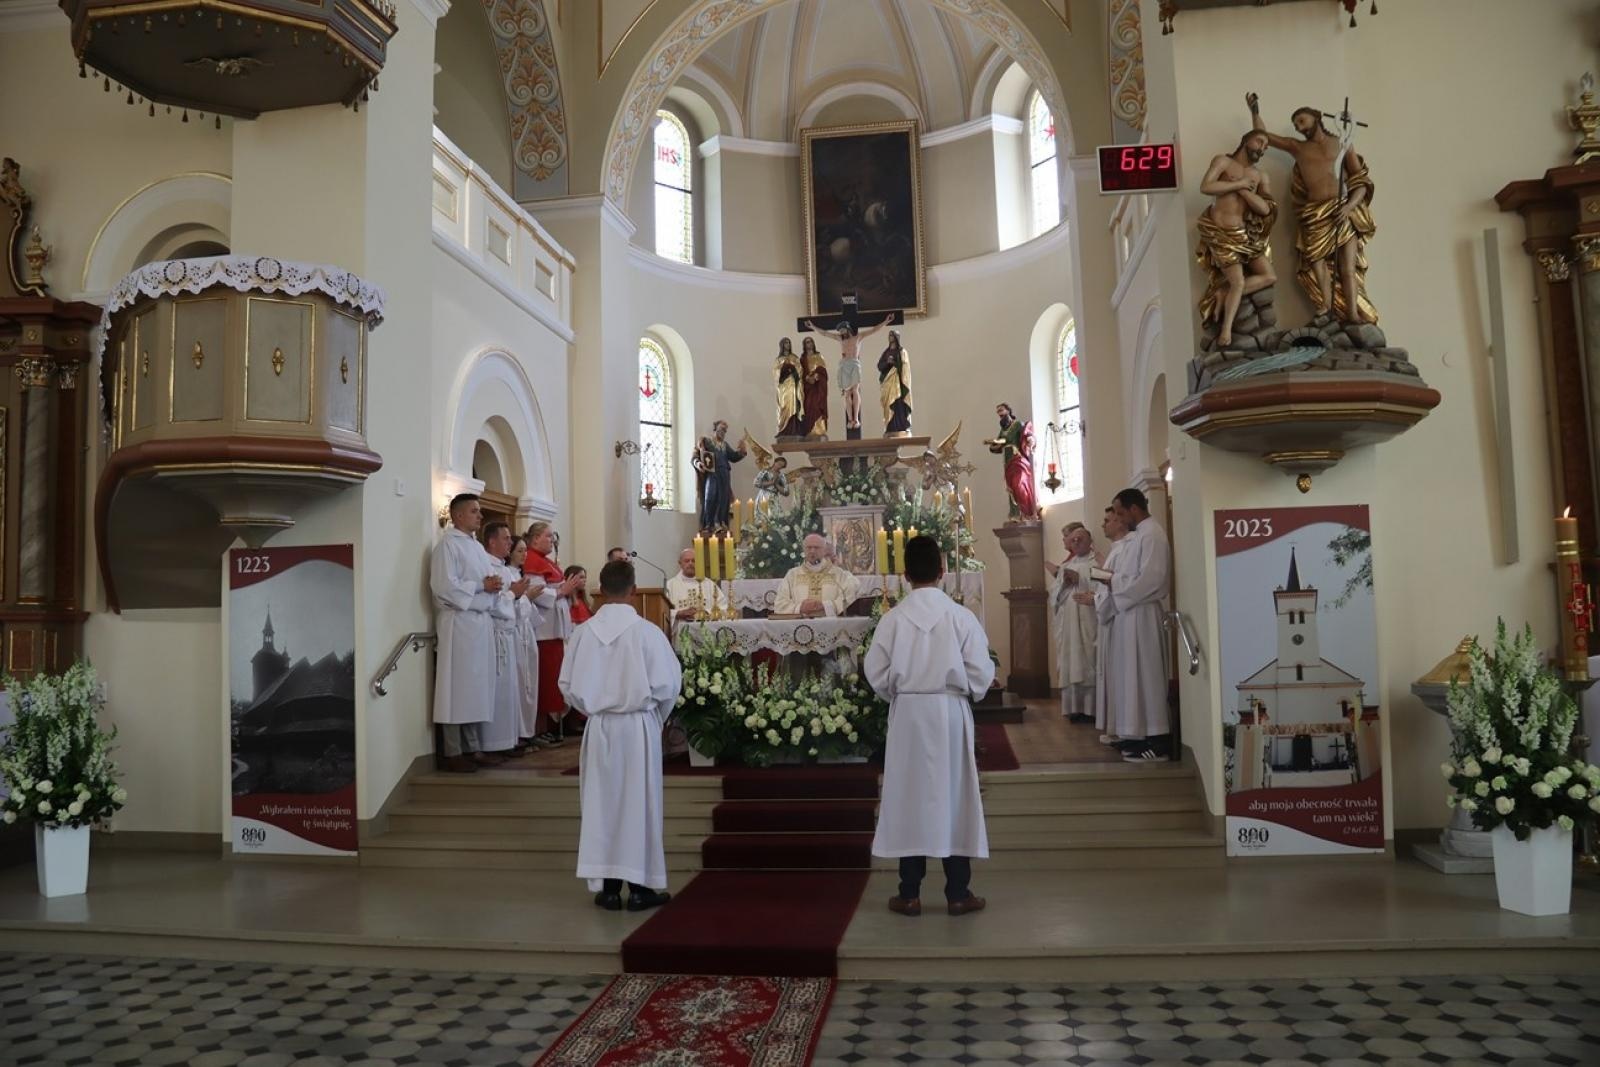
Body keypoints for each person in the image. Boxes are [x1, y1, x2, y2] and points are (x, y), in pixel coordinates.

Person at [866, 535, 994, 917]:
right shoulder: (960, 617)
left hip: (909, 715)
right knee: (954, 795)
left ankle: (909, 893)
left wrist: (901, 693)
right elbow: (981, 672)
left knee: (908, 797)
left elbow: (876, 673)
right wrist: (964, 689)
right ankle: (958, 892)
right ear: (942, 571)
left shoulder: (892, 619)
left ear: (905, 575)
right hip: (949, 712)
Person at [558, 560, 681, 912]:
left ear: (600, 588)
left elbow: (567, 685)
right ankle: (640, 889)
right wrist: (653, 717)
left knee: (602, 804)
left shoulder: (582, 634)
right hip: (637, 725)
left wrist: (594, 707)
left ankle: (609, 889)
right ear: (633, 589)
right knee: (639, 805)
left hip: (599, 727)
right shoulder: (646, 633)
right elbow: (668, 684)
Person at [1247, 92, 1377, 325]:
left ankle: (1353, 314)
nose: (1299, 127)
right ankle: (1325, 309)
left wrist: (1349, 207)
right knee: (1316, 264)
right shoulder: (1298, 148)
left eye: (1302, 121)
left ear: (1316, 117)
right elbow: (1264, 136)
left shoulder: (1342, 142)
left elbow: (1360, 181)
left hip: (1341, 210)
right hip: (1314, 214)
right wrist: (1255, 111)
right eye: (1296, 125)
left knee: (1347, 267)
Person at [429, 494, 501, 773]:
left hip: (478, 623)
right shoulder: (447, 546)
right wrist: (482, 587)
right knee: (455, 688)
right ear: (457, 515)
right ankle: (452, 750)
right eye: (474, 511)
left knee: (475, 688)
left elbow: (485, 584)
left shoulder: (476, 547)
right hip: (458, 624)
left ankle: (473, 747)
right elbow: (444, 586)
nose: (480, 516)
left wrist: (491, 587)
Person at [1101, 489, 1172, 761]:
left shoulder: (1152, 533)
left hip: (1142, 613)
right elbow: (1130, 575)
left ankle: (1159, 739)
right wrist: (1115, 582)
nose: (1118, 518)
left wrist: (1115, 584)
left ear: (1133, 509)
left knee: (1147, 677)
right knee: (1133, 677)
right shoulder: (1140, 535)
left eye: (1120, 513)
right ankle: (1138, 734)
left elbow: (1152, 578)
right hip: (1129, 612)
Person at [1196, 130, 1277, 347]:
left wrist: (1243, 189)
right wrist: (1237, 184)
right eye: (1259, 141)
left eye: (1266, 146)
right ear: (1245, 139)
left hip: (1245, 235)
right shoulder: (1223, 161)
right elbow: (1206, 187)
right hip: (1221, 233)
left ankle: (1225, 292)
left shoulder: (1260, 176)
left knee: (1269, 276)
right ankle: (1226, 332)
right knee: (1238, 281)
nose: (1262, 148)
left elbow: (1265, 208)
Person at [524, 521, 584, 744]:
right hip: (543, 631)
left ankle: (546, 728)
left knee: (552, 681)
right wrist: (563, 590)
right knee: (544, 681)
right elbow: (538, 594)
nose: (552, 540)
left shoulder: (545, 561)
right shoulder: (532, 560)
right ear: (535, 538)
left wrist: (564, 590)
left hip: (554, 631)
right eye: (548, 536)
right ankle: (540, 729)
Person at [479, 522, 530, 757]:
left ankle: (507, 741)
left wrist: (519, 596)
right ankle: (492, 745)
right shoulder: (486, 566)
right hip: (495, 636)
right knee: (497, 693)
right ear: (491, 541)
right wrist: (514, 593)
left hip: (508, 635)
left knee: (510, 692)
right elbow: (494, 604)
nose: (510, 543)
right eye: (506, 538)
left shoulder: (502, 567)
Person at [1046, 523, 1098, 723]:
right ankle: (1074, 709)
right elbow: (1054, 596)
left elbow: (1105, 585)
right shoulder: (1067, 565)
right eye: (1073, 540)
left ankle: (1091, 710)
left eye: (1080, 539)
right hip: (1068, 625)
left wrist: (1081, 579)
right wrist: (1066, 584)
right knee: (1071, 662)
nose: (1076, 542)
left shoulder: (1097, 562)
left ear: (1090, 541)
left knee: (1087, 662)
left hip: (1088, 621)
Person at [806, 314, 893, 432]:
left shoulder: (858, 338)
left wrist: (885, 321)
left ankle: (856, 418)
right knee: (847, 393)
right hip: (844, 365)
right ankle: (850, 419)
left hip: (854, 364)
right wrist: (813, 327)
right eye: (840, 331)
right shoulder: (840, 339)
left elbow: (873, 330)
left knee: (855, 390)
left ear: (847, 329)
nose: (841, 333)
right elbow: (825, 333)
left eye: (843, 330)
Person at [1092, 507, 1131, 746]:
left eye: (1107, 520)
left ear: (1119, 521)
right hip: (1112, 618)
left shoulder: (1123, 550)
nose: (1103, 524)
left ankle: (1119, 727)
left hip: (1116, 618)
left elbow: (1114, 584)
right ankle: (1115, 727)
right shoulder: (1116, 551)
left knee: (1117, 675)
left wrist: (1096, 600)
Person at [506, 537, 548, 749]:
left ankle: (528, 731)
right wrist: (527, 598)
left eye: (525, 550)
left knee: (530, 684)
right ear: (510, 552)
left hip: (526, 633)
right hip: (514, 634)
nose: (525, 554)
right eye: (520, 550)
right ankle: (519, 733)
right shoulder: (506, 574)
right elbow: (508, 605)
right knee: (521, 684)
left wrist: (528, 599)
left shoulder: (520, 575)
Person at [774, 534, 861, 617]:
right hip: (799, 624)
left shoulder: (839, 574)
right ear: (804, 550)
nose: (812, 551)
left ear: (824, 550)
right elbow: (779, 604)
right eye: (809, 547)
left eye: (816, 547)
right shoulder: (792, 575)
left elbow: (848, 599)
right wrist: (800, 607)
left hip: (830, 624)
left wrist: (825, 606)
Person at [693, 420, 747, 533]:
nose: (723, 432)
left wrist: (742, 452)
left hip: (724, 474)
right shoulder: (706, 441)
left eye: (725, 431)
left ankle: (721, 523)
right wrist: (698, 464)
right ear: (715, 428)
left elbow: (733, 457)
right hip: (712, 473)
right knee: (710, 497)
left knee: (723, 498)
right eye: (721, 429)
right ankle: (709, 524)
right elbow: (696, 455)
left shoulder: (724, 445)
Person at [987, 403, 1038, 522]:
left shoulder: (1017, 424)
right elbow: (999, 444)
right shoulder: (1003, 430)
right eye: (998, 412)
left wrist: (1031, 439)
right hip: (1007, 461)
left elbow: (1028, 434)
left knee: (1019, 484)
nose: (999, 413)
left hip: (1018, 459)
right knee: (1011, 488)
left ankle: (1026, 512)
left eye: (1001, 410)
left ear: (1008, 411)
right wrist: (992, 444)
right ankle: (1015, 514)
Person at [665, 547, 722, 623]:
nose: (690, 563)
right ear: (680, 563)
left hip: (706, 630)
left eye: (694, 561)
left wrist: (706, 613)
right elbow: (663, 610)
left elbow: (723, 607)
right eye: (686, 561)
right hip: (679, 631)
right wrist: (678, 613)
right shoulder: (670, 585)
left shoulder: (709, 585)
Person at [877, 329, 913, 436]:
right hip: (888, 382)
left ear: (897, 337)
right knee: (889, 403)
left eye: (892, 335)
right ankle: (890, 425)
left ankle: (901, 425)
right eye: (889, 335)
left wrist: (895, 363)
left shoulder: (902, 351)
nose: (890, 337)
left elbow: (905, 366)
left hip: (898, 382)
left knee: (898, 403)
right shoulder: (886, 352)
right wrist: (888, 363)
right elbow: (879, 366)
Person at [774, 337, 804, 439]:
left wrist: (792, 369)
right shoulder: (778, 359)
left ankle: (793, 429)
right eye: (786, 343)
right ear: (782, 345)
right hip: (783, 387)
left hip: (792, 385)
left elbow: (800, 370)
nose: (788, 345)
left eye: (789, 343)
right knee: (783, 406)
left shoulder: (794, 357)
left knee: (793, 406)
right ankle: (783, 429)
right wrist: (783, 368)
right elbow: (775, 374)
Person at [799, 335, 829, 439]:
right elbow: (800, 373)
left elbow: (823, 371)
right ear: (804, 345)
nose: (809, 344)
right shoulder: (802, 359)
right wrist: (807, 378)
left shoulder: (819, 356)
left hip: (817, 387)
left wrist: (817, 376)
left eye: (811, 342)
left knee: (817, 406)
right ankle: (810, 429)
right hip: (807, 388)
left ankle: (819, 429)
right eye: (807, 342)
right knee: (809, 406)